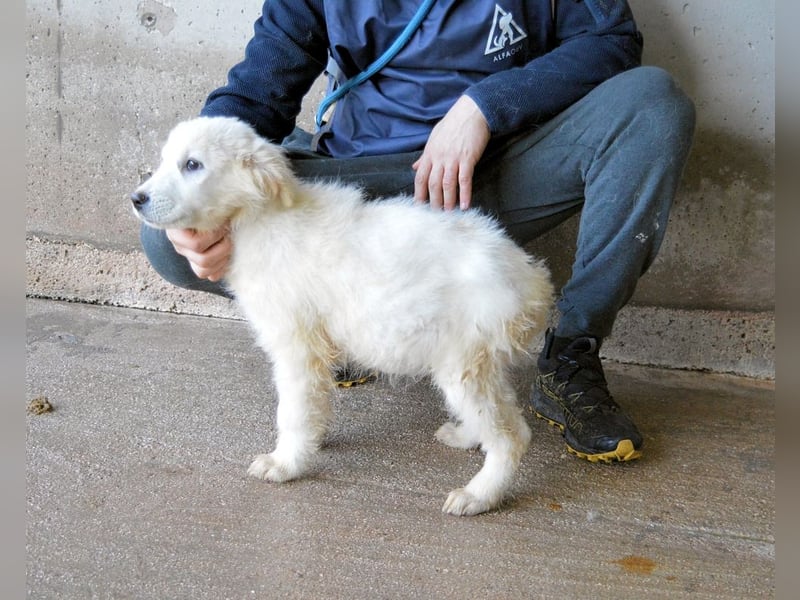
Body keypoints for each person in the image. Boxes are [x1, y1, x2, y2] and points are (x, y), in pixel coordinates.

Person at [140, 0, 696, 463]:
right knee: (166, 242)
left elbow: (612, 42)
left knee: (652, 104)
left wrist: (484, 107)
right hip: (358, 189)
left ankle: (571, 351)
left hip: (497, 172)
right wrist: (200, 211)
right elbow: (254, 99)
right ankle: (343, 326)